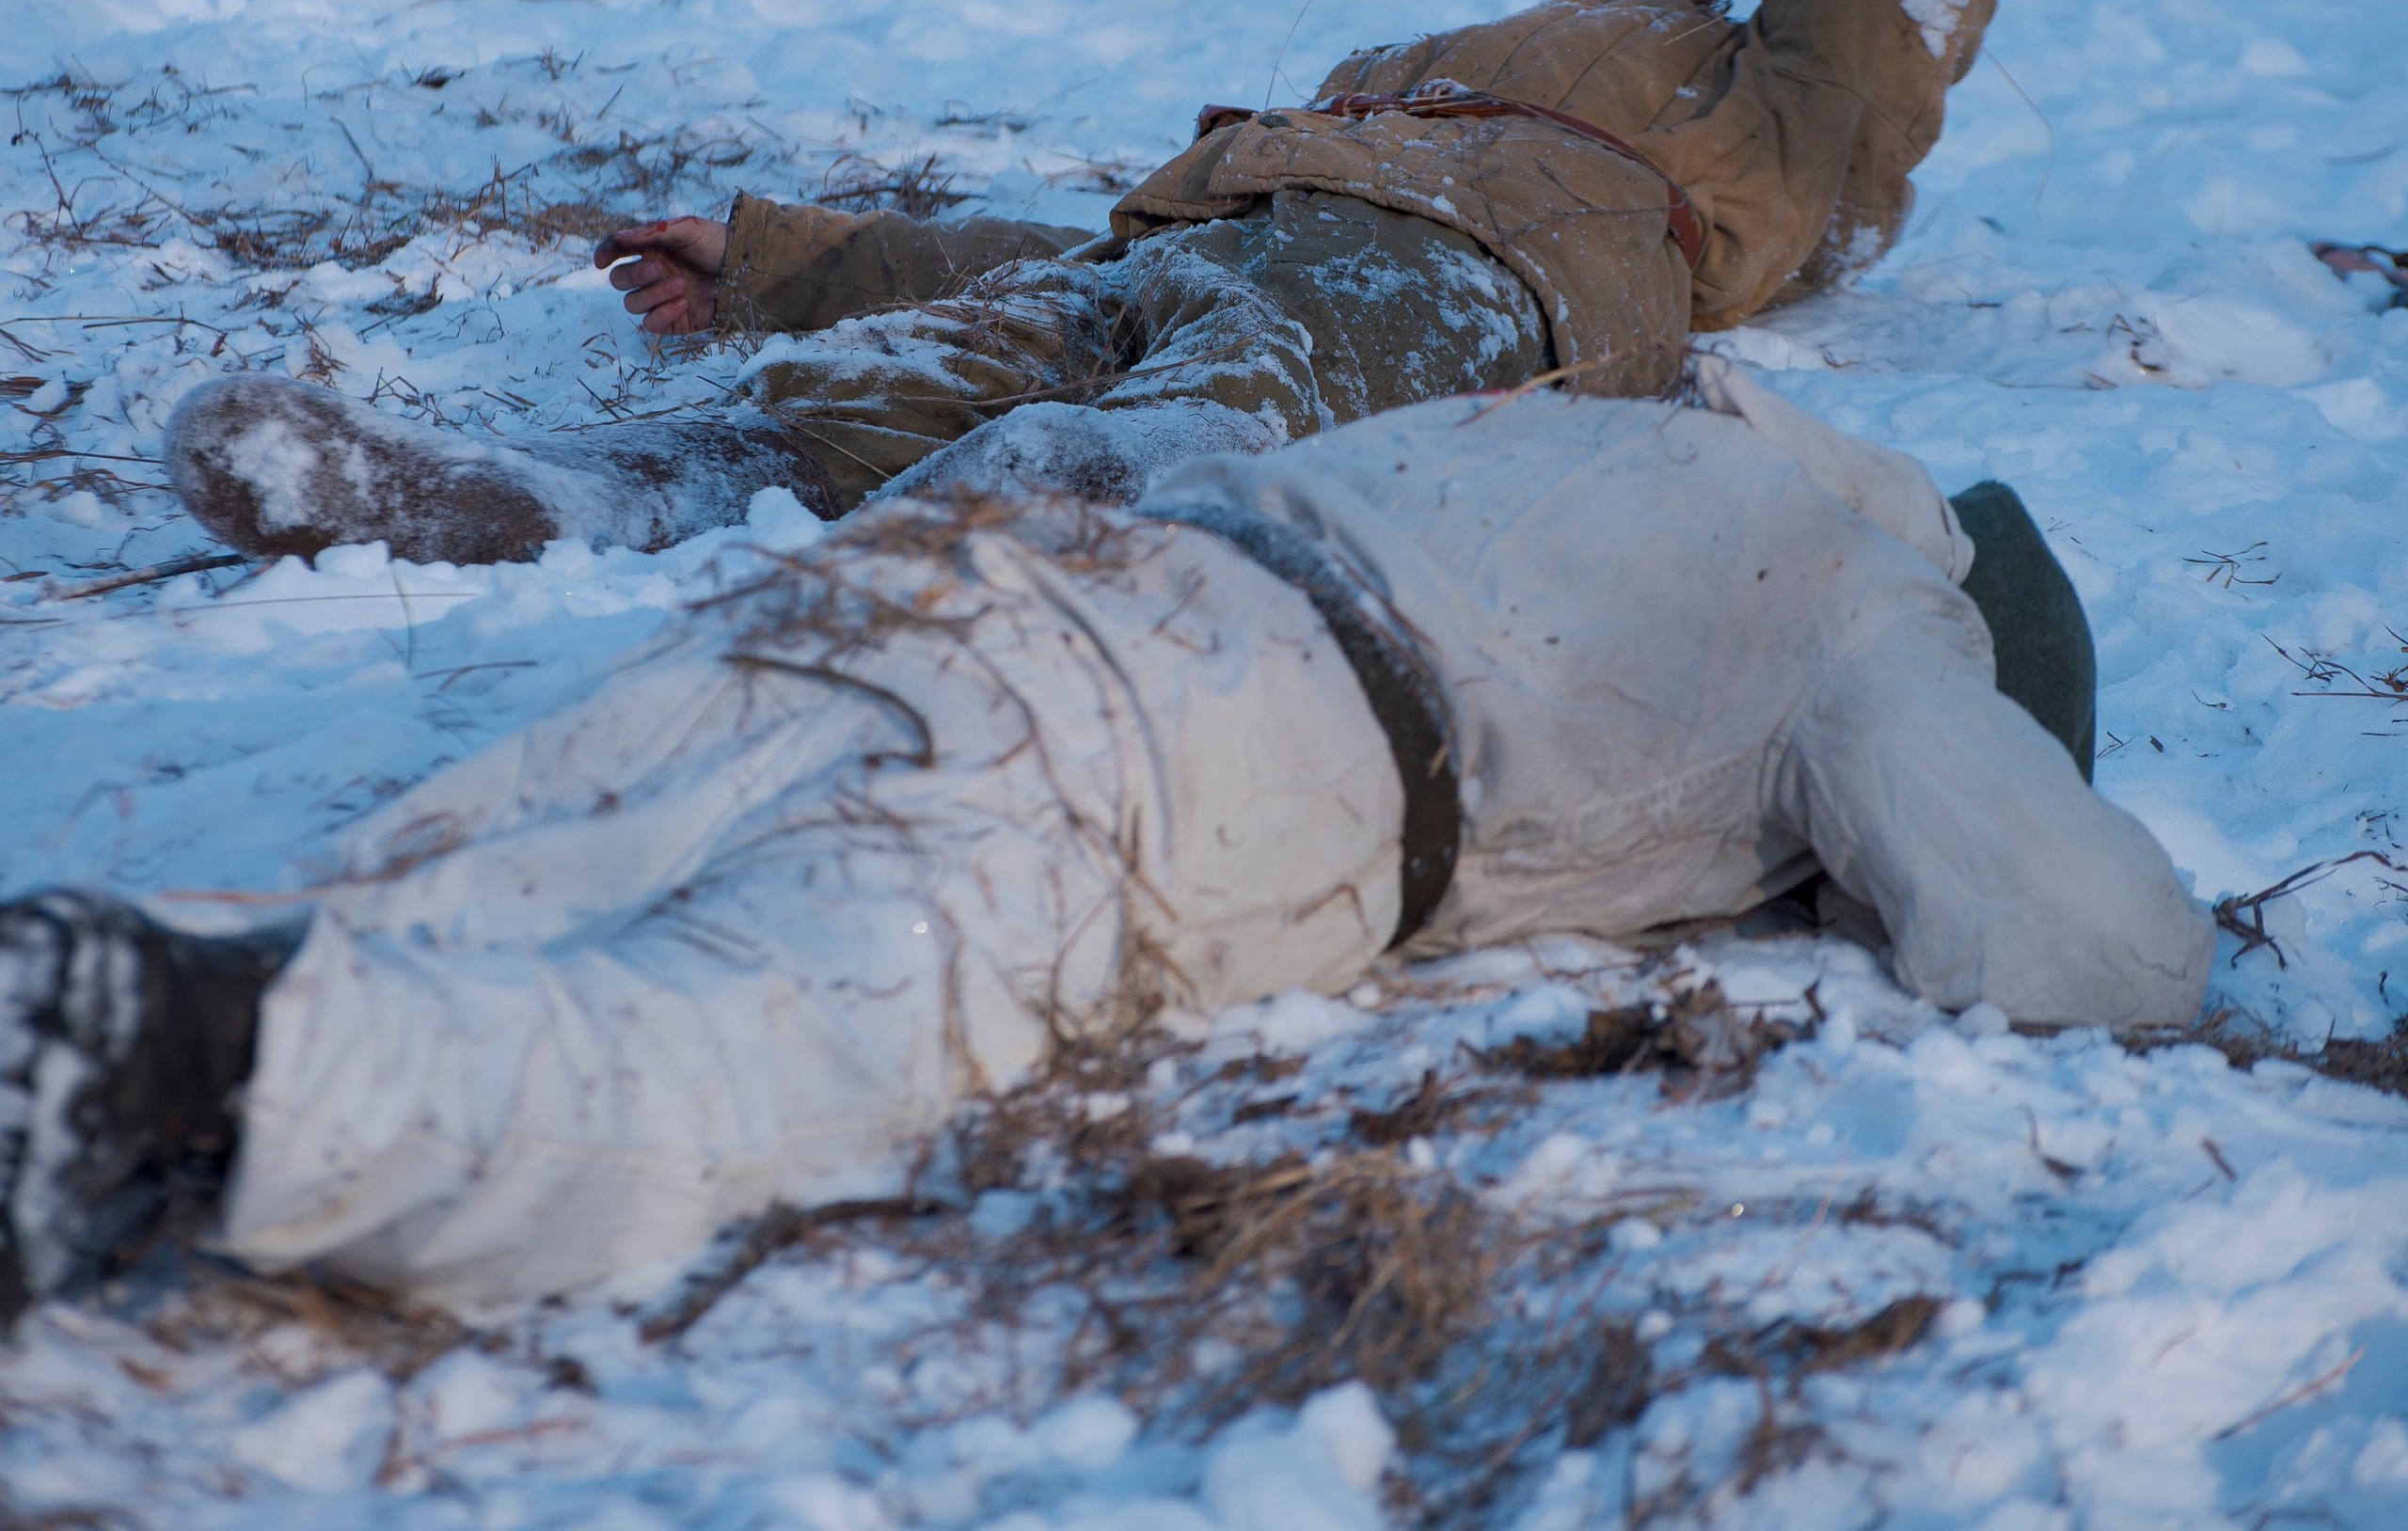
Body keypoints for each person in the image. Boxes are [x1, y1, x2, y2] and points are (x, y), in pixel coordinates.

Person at [3, 367, 2207, 1323]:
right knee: (711, 1071)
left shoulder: (1642, 426)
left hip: (975, 581)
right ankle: (166, 1049)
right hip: (1186, 775)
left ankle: (117, 1014)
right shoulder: (1869, 607)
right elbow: (2087, 937)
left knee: (469, 880)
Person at [164, 0, 2030, 562]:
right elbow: (1082, 246)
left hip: (1468, 291)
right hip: (1217, 239)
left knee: (1202, 421)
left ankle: (1002, 574)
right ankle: (527, 500)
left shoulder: (1803, 141)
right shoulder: (1429, 79)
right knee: (854, 400)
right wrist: (789, 264)